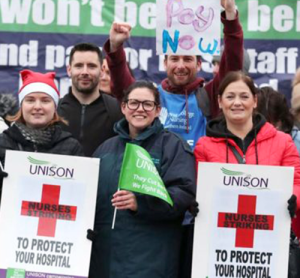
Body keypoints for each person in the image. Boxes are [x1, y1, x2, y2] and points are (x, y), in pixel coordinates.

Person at [104, 0, 243, 150]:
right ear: (165, 62)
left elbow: (232, 66)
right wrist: (115, 47)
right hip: (154, 174)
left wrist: (230, 15)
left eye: (188, 59)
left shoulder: (209, 96)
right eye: (175, 59)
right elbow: (121, 87)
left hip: (197, 174)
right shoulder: (151, 97)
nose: (181, 65)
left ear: (199, 64)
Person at [89, 81, 196, 278]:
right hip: (105, 262)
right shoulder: (104, 149)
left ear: (157, 110)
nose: (140, 109)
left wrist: (141, 203)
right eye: (134, 103)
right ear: (123, 107)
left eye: (147, 104)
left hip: (151, 263)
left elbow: (183, 194)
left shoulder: (173, 146)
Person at [194, 71, 300, 238]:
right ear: (220, 102)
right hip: (221, 239)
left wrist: (294, 198)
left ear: (255, 101)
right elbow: (198, 189)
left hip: (271, 236)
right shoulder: (204, 146)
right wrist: (194, 203)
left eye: (244, 96)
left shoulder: (283, 142)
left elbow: (297, 182)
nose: (237, 103)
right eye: (230, 97)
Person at [0, 70, 83, 202]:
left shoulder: (71, 147)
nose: (37, 106)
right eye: (30, 100)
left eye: (45, 101)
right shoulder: (3, 142)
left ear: (54, 107)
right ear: (22, 106)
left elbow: (80, 196)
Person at [57, 43, 123, 157]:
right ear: (69, 70)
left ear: (102, 70)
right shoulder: (55, 110)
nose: (85, 72)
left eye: (91, 66)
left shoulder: (116, 110)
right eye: (79, 66)